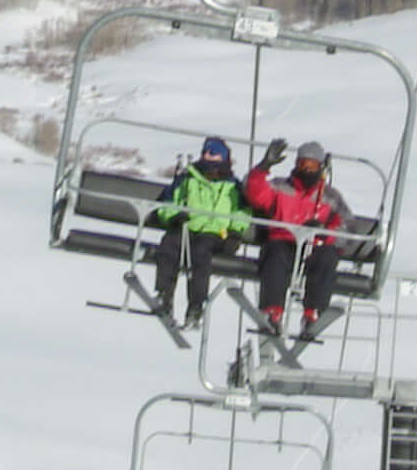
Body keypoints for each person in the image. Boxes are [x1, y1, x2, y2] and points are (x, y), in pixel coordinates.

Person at [244, 137, 348, 346]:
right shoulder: (280, 187)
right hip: (283, 241)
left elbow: (346, 226)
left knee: (327, 256)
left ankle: (312, 313)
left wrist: (324, 233)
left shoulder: (329, 197)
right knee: (276, 254)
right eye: (303, 165)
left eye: (312, 166)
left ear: (320, 168)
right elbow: (254, 194)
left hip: (313, 248)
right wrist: (263, 167)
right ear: (296, 165)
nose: (307, 170)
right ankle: (272, 311)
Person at [146, 132, 250, 335]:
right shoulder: (187, 180)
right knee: (169, 245)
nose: (209, 158)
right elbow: (169, 202)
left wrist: (235, 233)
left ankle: (195, 305)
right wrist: (174, 217)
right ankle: (164, 293)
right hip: (187, 227)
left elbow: (242, 212)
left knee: (200, 254)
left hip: (214, 233)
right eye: (206, 153)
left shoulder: (232, 186)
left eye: (214, 154)